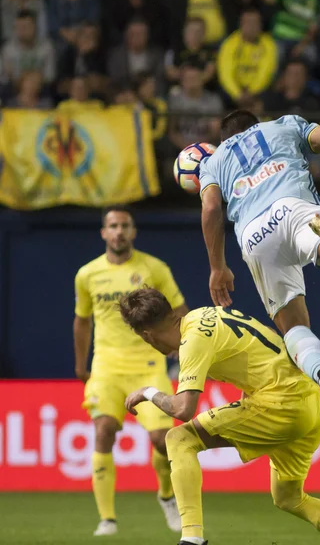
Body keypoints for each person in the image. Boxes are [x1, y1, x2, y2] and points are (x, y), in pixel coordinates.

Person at [121, 287, 320, 545]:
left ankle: (191, 539)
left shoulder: (192, 341)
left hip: (280, 405)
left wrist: (149, 392)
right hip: (310, 401)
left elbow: (182, 409)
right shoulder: (205, 314)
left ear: (147, 336)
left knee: (178, 439)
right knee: (289, 498)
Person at [199, 109, 320, 434]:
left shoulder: (214, 161)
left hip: (253, 234)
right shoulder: (283, 126)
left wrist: (217, 267)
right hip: (293, 205)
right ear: (256, 123)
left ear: (223, 139)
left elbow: (210, 209)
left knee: (293, 326)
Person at [74, 206, 188, 536]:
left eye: (125, 225)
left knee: (161, 440)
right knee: (103, 430)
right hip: (107, 365)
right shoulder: (87, 274)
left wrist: (186, 350)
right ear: (104, 233)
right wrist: (80, 364)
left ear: (133, 232)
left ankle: (166, 495)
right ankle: (107, 519)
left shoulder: (154, 268)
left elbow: (180, 312)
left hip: (148, 364)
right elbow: (82, 321)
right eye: (113, 226)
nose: (119, 231)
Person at [217, 8, 278, 107]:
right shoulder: (230, 43)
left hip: (258, 90)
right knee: (222, 93)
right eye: (248, 22)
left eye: (255, 23)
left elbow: (266, 72)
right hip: (234, 91)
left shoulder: (268, 43)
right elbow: (225, 72)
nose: (252, 26)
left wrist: (252, 92)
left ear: (261, 25)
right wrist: (237, 93)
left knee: (271, 94)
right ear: (241, 24)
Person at [2, 9, 55, 87]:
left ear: (35, 27)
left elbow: (50, 76)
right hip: (16, 90)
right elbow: (4, 78)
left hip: (42, 88)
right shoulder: (8, 49)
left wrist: (32, 79)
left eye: (26, 26)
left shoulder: (46, 47)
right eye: (18, 27)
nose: (22, 31)